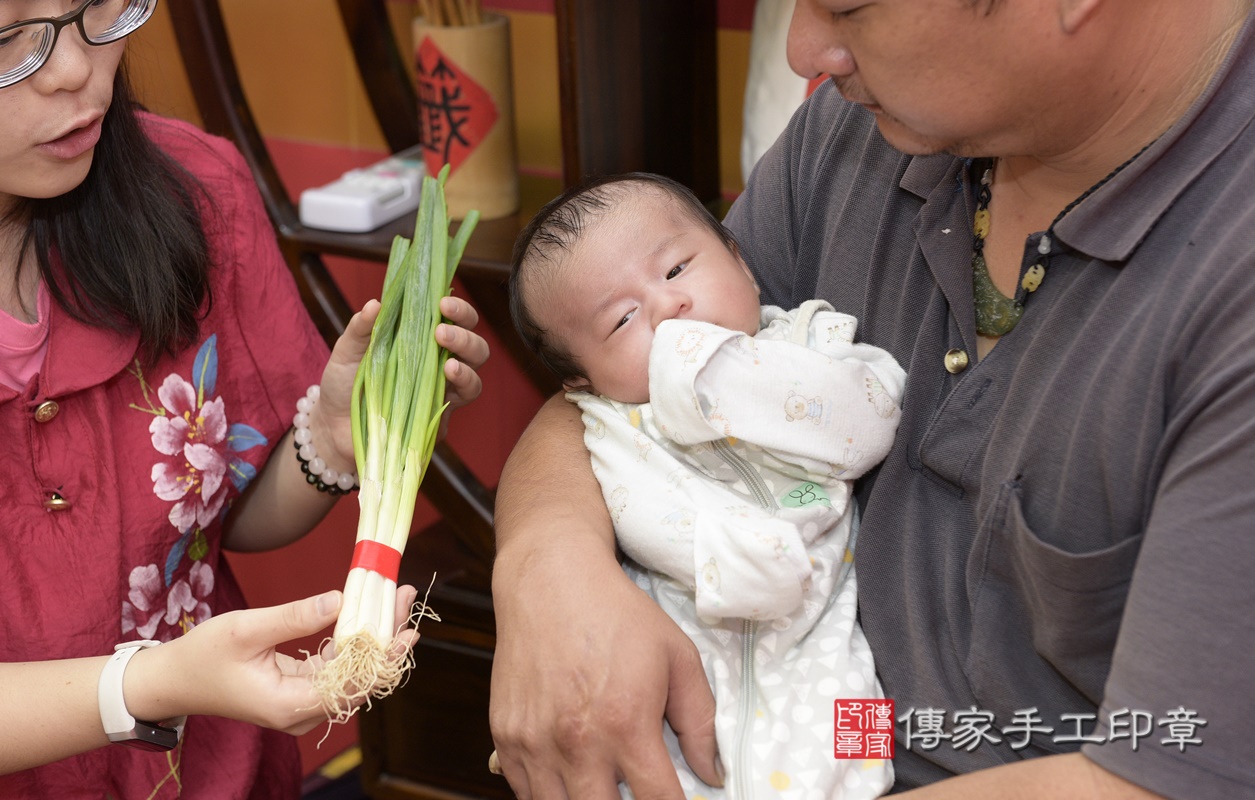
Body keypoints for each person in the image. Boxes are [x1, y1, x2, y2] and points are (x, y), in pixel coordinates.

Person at [487, 1, 1255, 798]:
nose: (803, 51)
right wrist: (548, 563)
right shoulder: (869, 128)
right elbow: (627, 395)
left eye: (847, 5)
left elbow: (1165, 780)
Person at [0, 1, 489, 796]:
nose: (72, 70)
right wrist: (149, 685)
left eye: (97, 8)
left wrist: (331, 437)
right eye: (9, 39)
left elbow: (218, 523)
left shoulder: (193, 190)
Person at [509, 172, 906, 798]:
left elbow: (872, 418)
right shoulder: (615, 427)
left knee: (863, 767)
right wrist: (732, 557)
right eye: (622, 320)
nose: (669, 308)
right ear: (581, 382)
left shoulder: (812, 340)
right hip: (689, 657)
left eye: (675, 271)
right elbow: (644, 512)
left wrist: (718, 377)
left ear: (743, 265)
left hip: (828, 638)